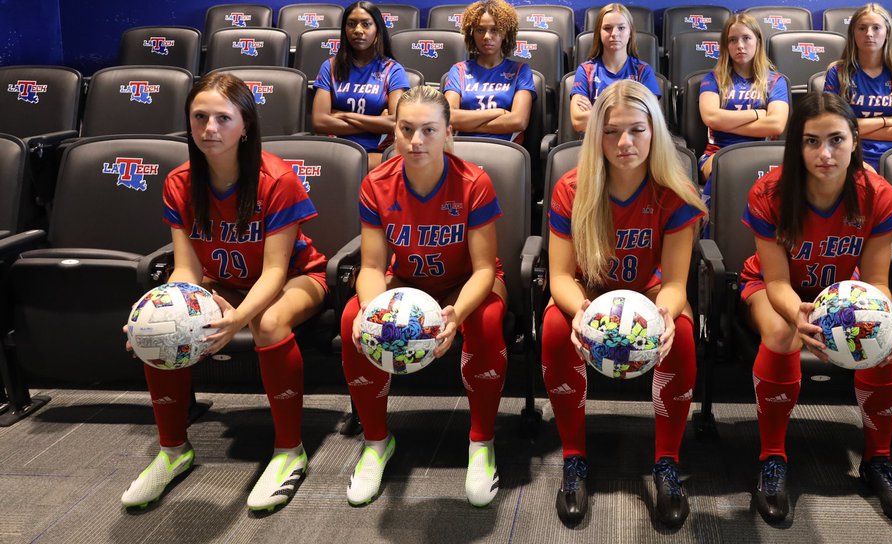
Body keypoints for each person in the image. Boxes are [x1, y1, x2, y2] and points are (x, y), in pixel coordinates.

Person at [121, 72, 328, 512]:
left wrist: (239, 317)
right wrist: (150, 317)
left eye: (223, 118)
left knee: (268, 322)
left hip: (297, 278)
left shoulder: (277, 179)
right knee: (160, 325)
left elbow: (274, 272)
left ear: (245, 125)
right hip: (221, 283)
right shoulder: (179, 182)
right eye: (200, 117)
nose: (209, 129)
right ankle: (173, 450)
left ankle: (289, 450)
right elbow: (186, 268)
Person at [739, 91, 892, 525]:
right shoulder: (770, 192)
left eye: (836, 140)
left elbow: (876, 281)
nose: (825, 154)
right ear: (796, 146)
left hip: (842, 292)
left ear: (855, 140)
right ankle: (772, 458)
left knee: (884, 342)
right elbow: (777, 281)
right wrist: (799, 314)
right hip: (773, 288)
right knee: (782, 334)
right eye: (811, 141)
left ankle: (878, 459)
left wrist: (886, 319)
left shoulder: (878, 195)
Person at [543, 80, 706, 529]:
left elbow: (675, 282)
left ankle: (667, 461)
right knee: (555, 328)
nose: (624, 143)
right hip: (590, 293)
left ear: (655, 132)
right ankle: (574, 457)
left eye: (637, 130)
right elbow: (561, 276)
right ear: (596, 135)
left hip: (649, 294)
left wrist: (665, 314)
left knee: (681, 335)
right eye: (612, 132)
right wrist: (582, 313)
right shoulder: (572, 188)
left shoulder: (674, 191)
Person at [340, 85, 507, 508]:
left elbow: (485, 269)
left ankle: (481, 442)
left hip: (466, 282)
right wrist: (369, 309)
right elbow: (372, 266)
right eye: (407, 129)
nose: (416, 141)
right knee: (351, 319)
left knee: (486, 320)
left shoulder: (474, 182)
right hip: (408, 283)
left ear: (448, 133)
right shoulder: (376, 183)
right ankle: (376, 441)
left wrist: (456, 314)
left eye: (429, 130)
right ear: (394, 131)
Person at [823, 3, 892, 171]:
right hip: (848, 157)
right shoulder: (838, 72)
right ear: (853, 33)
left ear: (887, 33)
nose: (869, 34)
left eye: (876, 28)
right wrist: (886, 121)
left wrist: (853, 129)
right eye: (862, 28)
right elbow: (830, 126)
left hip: (891, 159)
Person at [313, 0, 410, 167]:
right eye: (351, 24)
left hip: (378, 153)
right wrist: (376, 123)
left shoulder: (393, 70)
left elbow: (395, 123)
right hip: (334, 148)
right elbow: (319, 122)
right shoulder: (330, 66)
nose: (358, 30)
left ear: (377, 30)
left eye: (366, 24)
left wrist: (342, 115)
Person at [697, 13, 789, 182]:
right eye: (732, 40)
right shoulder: (713, 79)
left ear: (758, 41)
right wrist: (757, 114)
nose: (740, 45)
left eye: (746, 38)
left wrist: (724, 124)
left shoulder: (775, 81)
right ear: (726, 46)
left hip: (761, 154)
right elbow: (711, 118)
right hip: (718, 153)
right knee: (726, 173)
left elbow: (776, 125)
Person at [444, 0, 536, 144]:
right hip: (464, 146)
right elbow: (448, 117)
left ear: (505, 33)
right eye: (480, 30)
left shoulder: (521, 71)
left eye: (494, 30)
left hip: (505, 148)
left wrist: (469, 124)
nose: (487, 36)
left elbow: (518, 121)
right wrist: (498, 112)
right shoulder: (459, 70)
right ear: (472, 34)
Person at [569, 2, 660, 133]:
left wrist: (595, 112)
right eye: (607, 28)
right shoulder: (585, 70)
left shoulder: (643, 71)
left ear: (630, 32)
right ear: (599, 33)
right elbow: (578, 122)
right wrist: (632, 114)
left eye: (621, 28)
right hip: (595, 142)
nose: (614, 33)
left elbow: (652, 118)